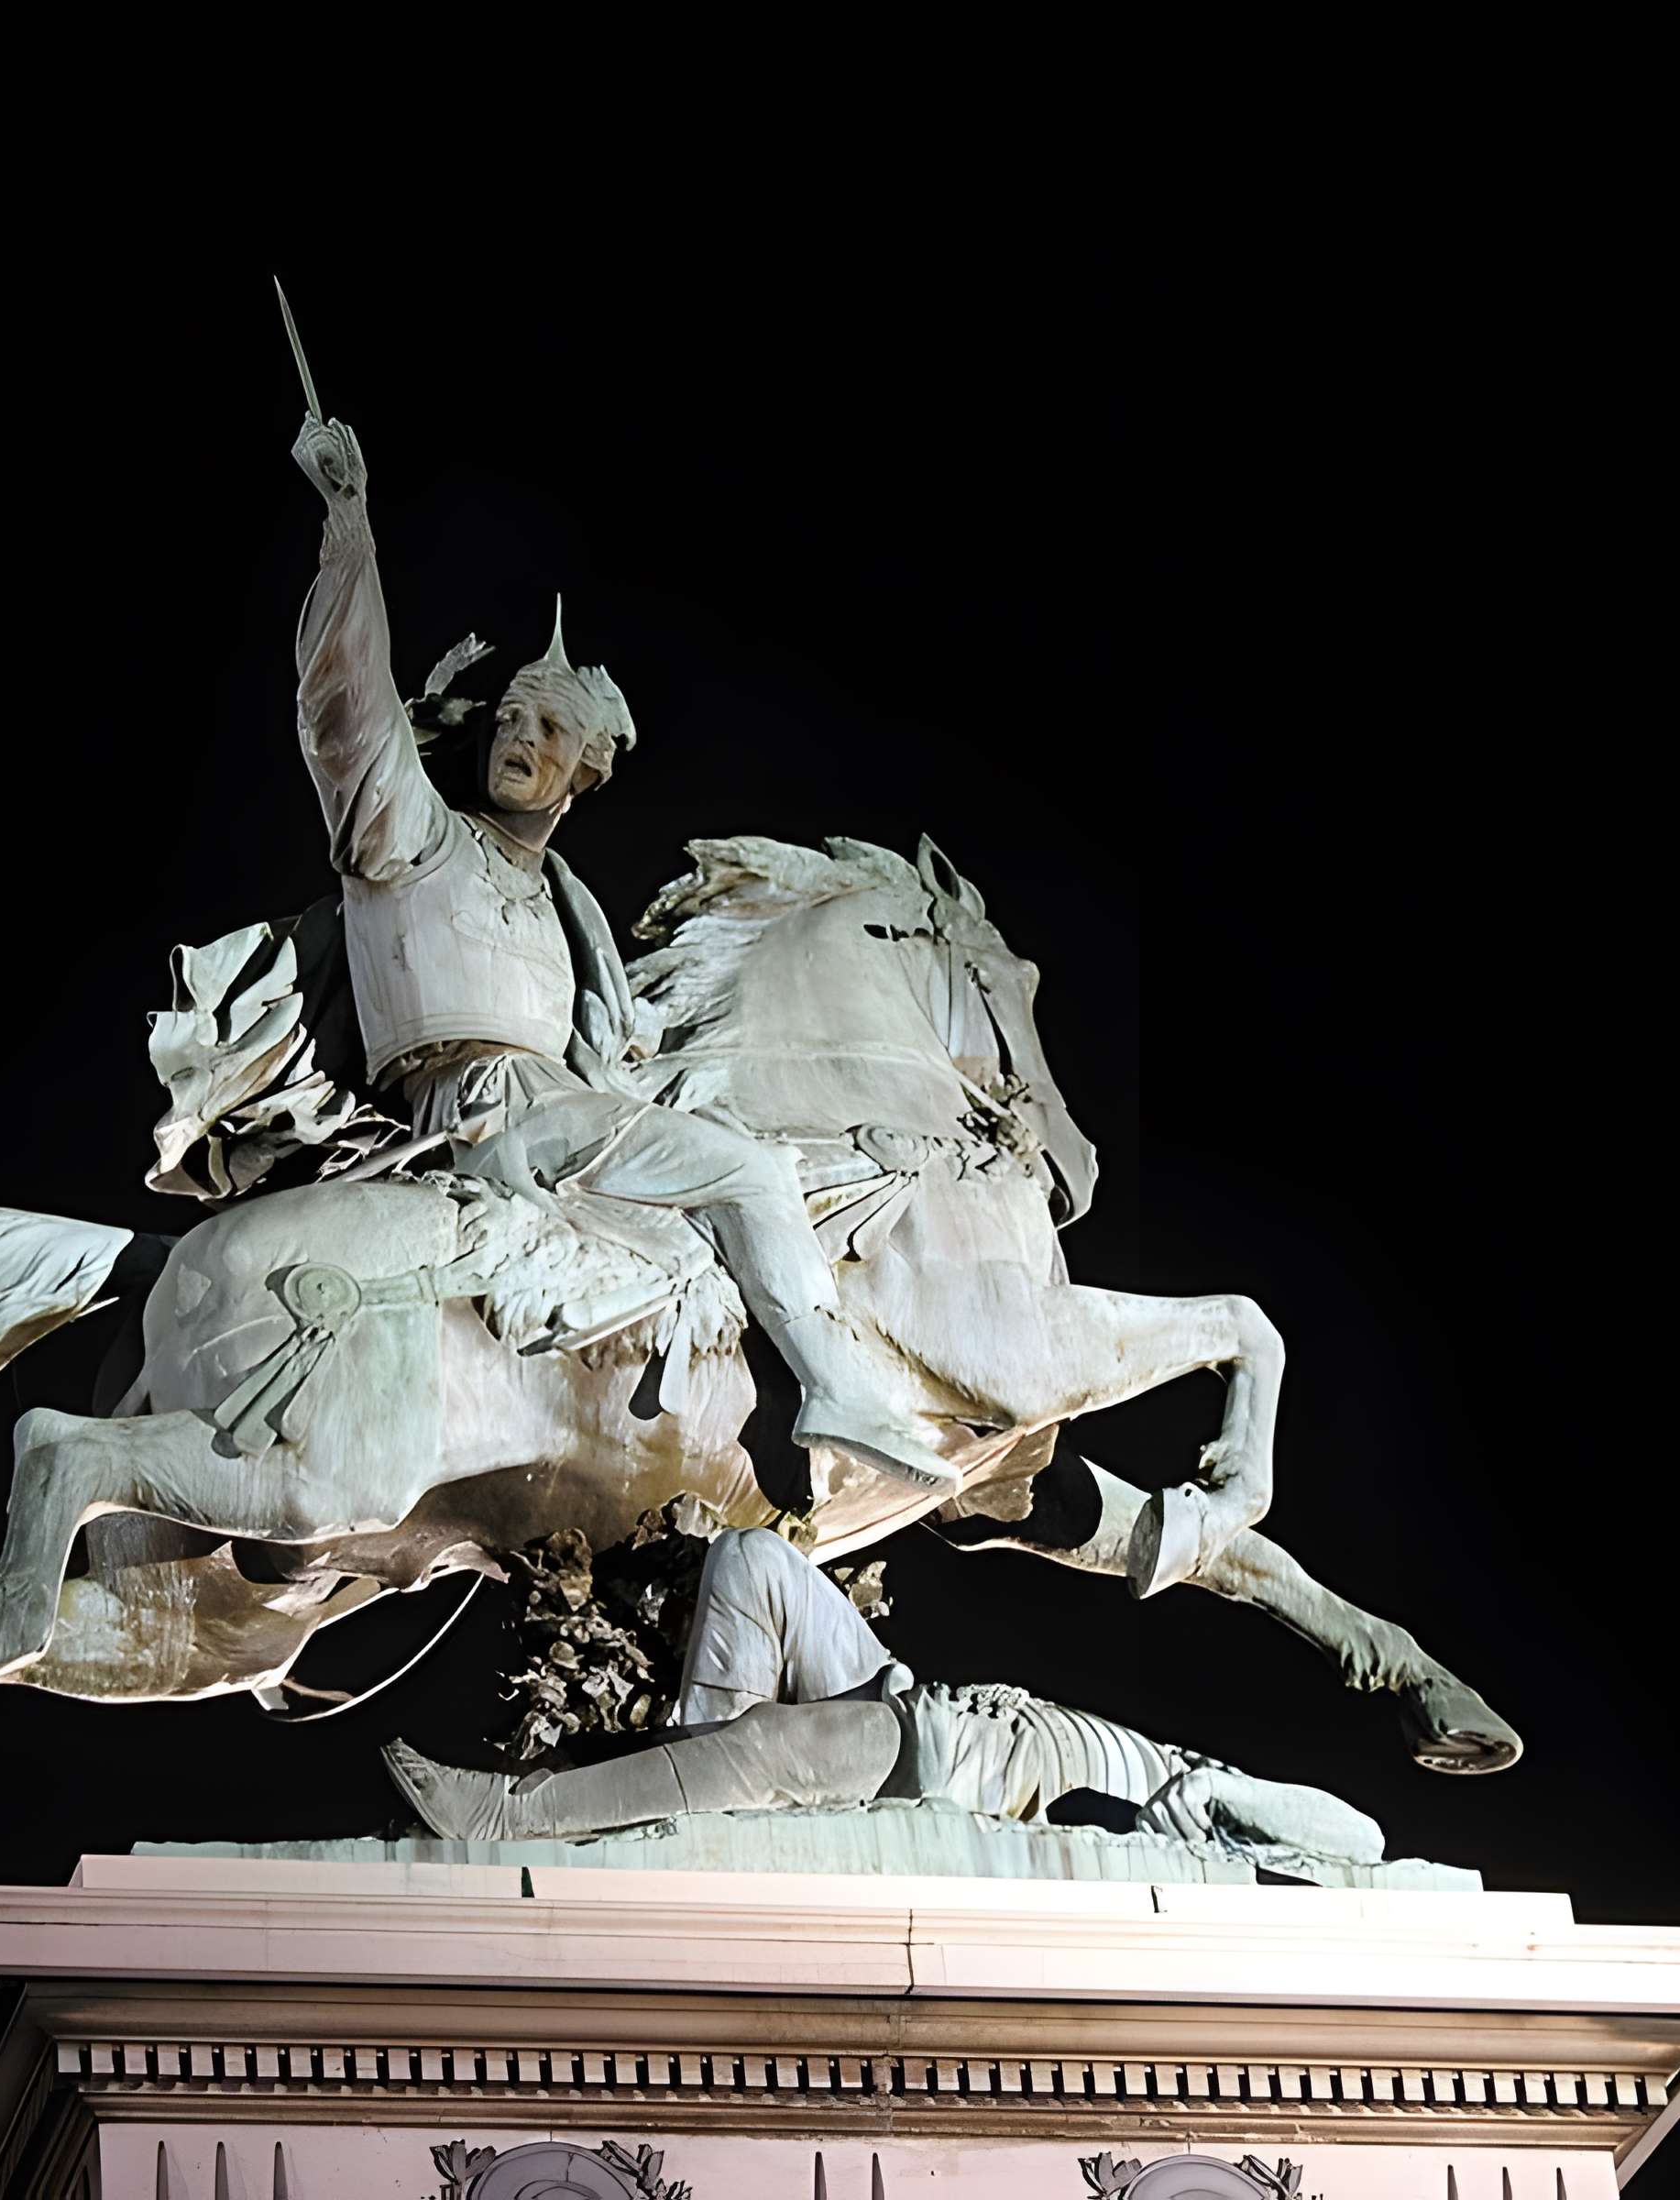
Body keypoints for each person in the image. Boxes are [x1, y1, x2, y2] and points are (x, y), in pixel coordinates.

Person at [287, 412, 960, 1494]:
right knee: (745, 1171)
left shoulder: (565, 905)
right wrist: (348, 527)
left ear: (585, 770)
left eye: (545, 731)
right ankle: (829, 1382)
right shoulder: (409, 833)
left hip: (559, 1110)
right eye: (508, 719)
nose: (516, 738)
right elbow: (345, 708)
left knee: (732, 1176)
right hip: (488, 1112)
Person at [382, 1527, 1388, 1867]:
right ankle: (683, 1785)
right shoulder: (1183, 1777)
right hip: (926, 1699)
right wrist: (1219, 1792)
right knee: (754, 1559)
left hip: (959, 1771)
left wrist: (1218, 1809)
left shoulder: (1172, 1812)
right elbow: (1359, 1836)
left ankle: (514, 1811)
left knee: (772, 1747)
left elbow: (1364, 1845)